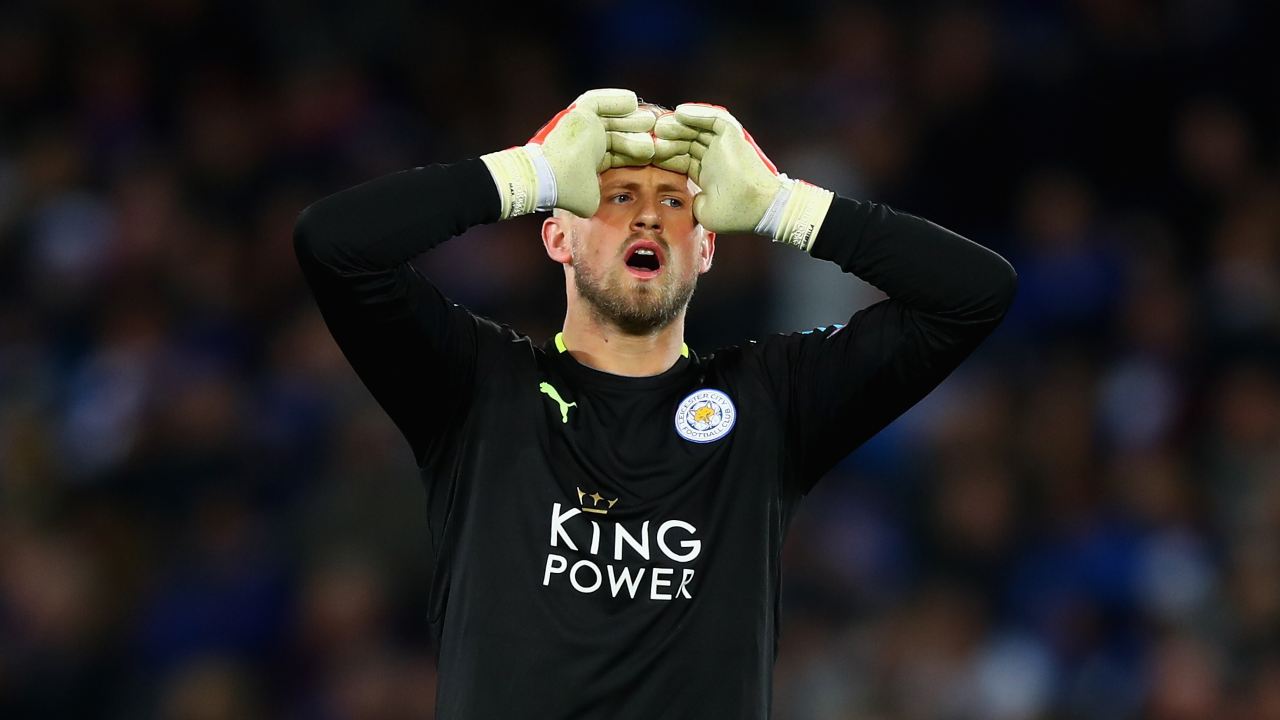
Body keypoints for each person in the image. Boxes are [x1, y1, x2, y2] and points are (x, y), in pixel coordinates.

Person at [293, 88, 1017, 719]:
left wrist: (781, 204)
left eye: (675, 201)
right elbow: (335, 246)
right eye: (615, 196)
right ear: (556, 234)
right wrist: (529, 172)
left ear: (706, 249)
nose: (647, 219)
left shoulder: (770, 401)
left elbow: (972, 295)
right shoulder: (479, 388)